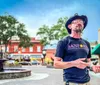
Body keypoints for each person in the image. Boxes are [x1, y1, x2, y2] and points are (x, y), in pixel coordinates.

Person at [54, 13, 100, 85]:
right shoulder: (63, 42)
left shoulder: (86, 43)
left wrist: (93, 67)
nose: (79, 23)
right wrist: (74, 63)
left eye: (81, 22)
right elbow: (56, 64)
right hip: (72, 82)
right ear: (70, 26)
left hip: (87, 82)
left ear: (83, 26)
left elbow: (88, 62)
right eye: (76, 22)